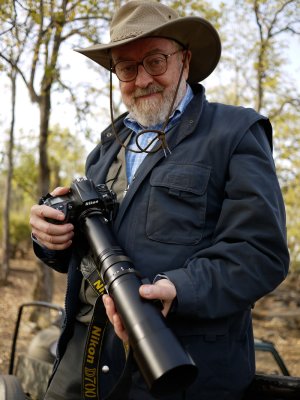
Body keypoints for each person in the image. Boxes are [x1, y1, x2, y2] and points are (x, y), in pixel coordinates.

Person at [29, 1, 290, 399]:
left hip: (184, 371)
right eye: (127, 68)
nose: (142, 79)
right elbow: (83, 257)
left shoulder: (236, 132)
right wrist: (50, 239)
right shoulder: (104, 150)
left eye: (154, 60)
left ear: (184, 59)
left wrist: (180, 289)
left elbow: (260, 252)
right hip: (85, 360)